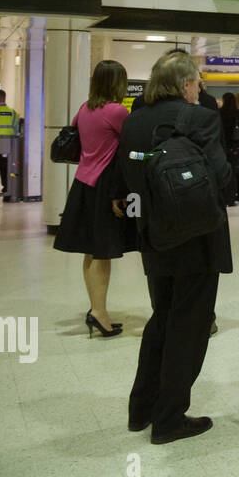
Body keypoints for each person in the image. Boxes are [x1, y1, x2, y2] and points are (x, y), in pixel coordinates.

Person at [117, 51, 233, 445]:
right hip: (197, 239)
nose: (199, 88)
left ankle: (142, 408)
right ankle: (169, 419)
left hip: (154, 236)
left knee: (162, 318)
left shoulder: (134, 121)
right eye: (197, 82)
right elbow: (222, 177)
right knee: (190, 324)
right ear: (185, 84)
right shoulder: (200, 118)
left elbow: (130, 170)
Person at [54, 60, 139, 336]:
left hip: (82, 184)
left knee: (91, 251)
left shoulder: (84, 108)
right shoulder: (116, 112)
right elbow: (131, 145)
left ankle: (96, 308)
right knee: (103, 253)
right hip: (105, 186)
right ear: (117, 83)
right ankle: (99, 311)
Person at [218, 92, 239, 205]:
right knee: (238, 171)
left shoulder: (221, 114)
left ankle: (227, 196)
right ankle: (236, 196)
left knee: (227, 172)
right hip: (238, 147)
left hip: (224, 147)